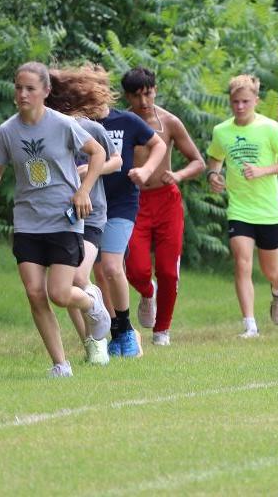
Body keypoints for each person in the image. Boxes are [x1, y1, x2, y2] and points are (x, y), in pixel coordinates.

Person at [0, 62, 111, 377]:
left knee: (59, 293)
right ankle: (61, 364)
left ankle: (92, 304)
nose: (22, 94)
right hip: (28, 222)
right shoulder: (7, 131)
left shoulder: (62, 124)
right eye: (18, 87)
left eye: (30, 88)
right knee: (34, 292)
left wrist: (84, 191)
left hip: (63, 219)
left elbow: (98, 153)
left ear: (45, 91)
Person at [46, 65, 124, 365]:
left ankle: (98, 324)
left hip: (91, 214)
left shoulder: (90, 129)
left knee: (78, 276)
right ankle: (91, 343)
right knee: (64, 285)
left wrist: (90, 170)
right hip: (57, 217)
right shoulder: (37, 133)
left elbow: (115, 161)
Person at [207, 75, 278, 337]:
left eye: (246, 101)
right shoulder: (222, 131)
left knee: (270, 269)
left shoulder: (270, 128)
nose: (240, 107)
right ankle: (250, 325)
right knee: (242, 263)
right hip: (239, 209)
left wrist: (262, 170)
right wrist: (213, 175)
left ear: (256, 100)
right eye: (235, 102)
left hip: (268, 211)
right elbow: (214, 158)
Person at [124, 67, 205, 347]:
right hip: (133, 201)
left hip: (167, 200)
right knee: (136, 269)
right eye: (137, 96)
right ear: (128, 97)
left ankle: (162, 331)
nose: (144, 102)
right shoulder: (122, 122)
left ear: (155, 90)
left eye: (148, 94)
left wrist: (179, 175)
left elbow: (198, 161)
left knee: (169, 271)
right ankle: (148, 293)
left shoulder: (170, 122)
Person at [94, 72, 167, 357]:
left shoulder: (125, 121)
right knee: (100, 272)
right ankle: (117, 331)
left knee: (112, 267)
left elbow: (157, 144)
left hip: (123, 201)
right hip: (92, 202)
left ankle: (125, 330)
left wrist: (146, 170)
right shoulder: (80, 123)